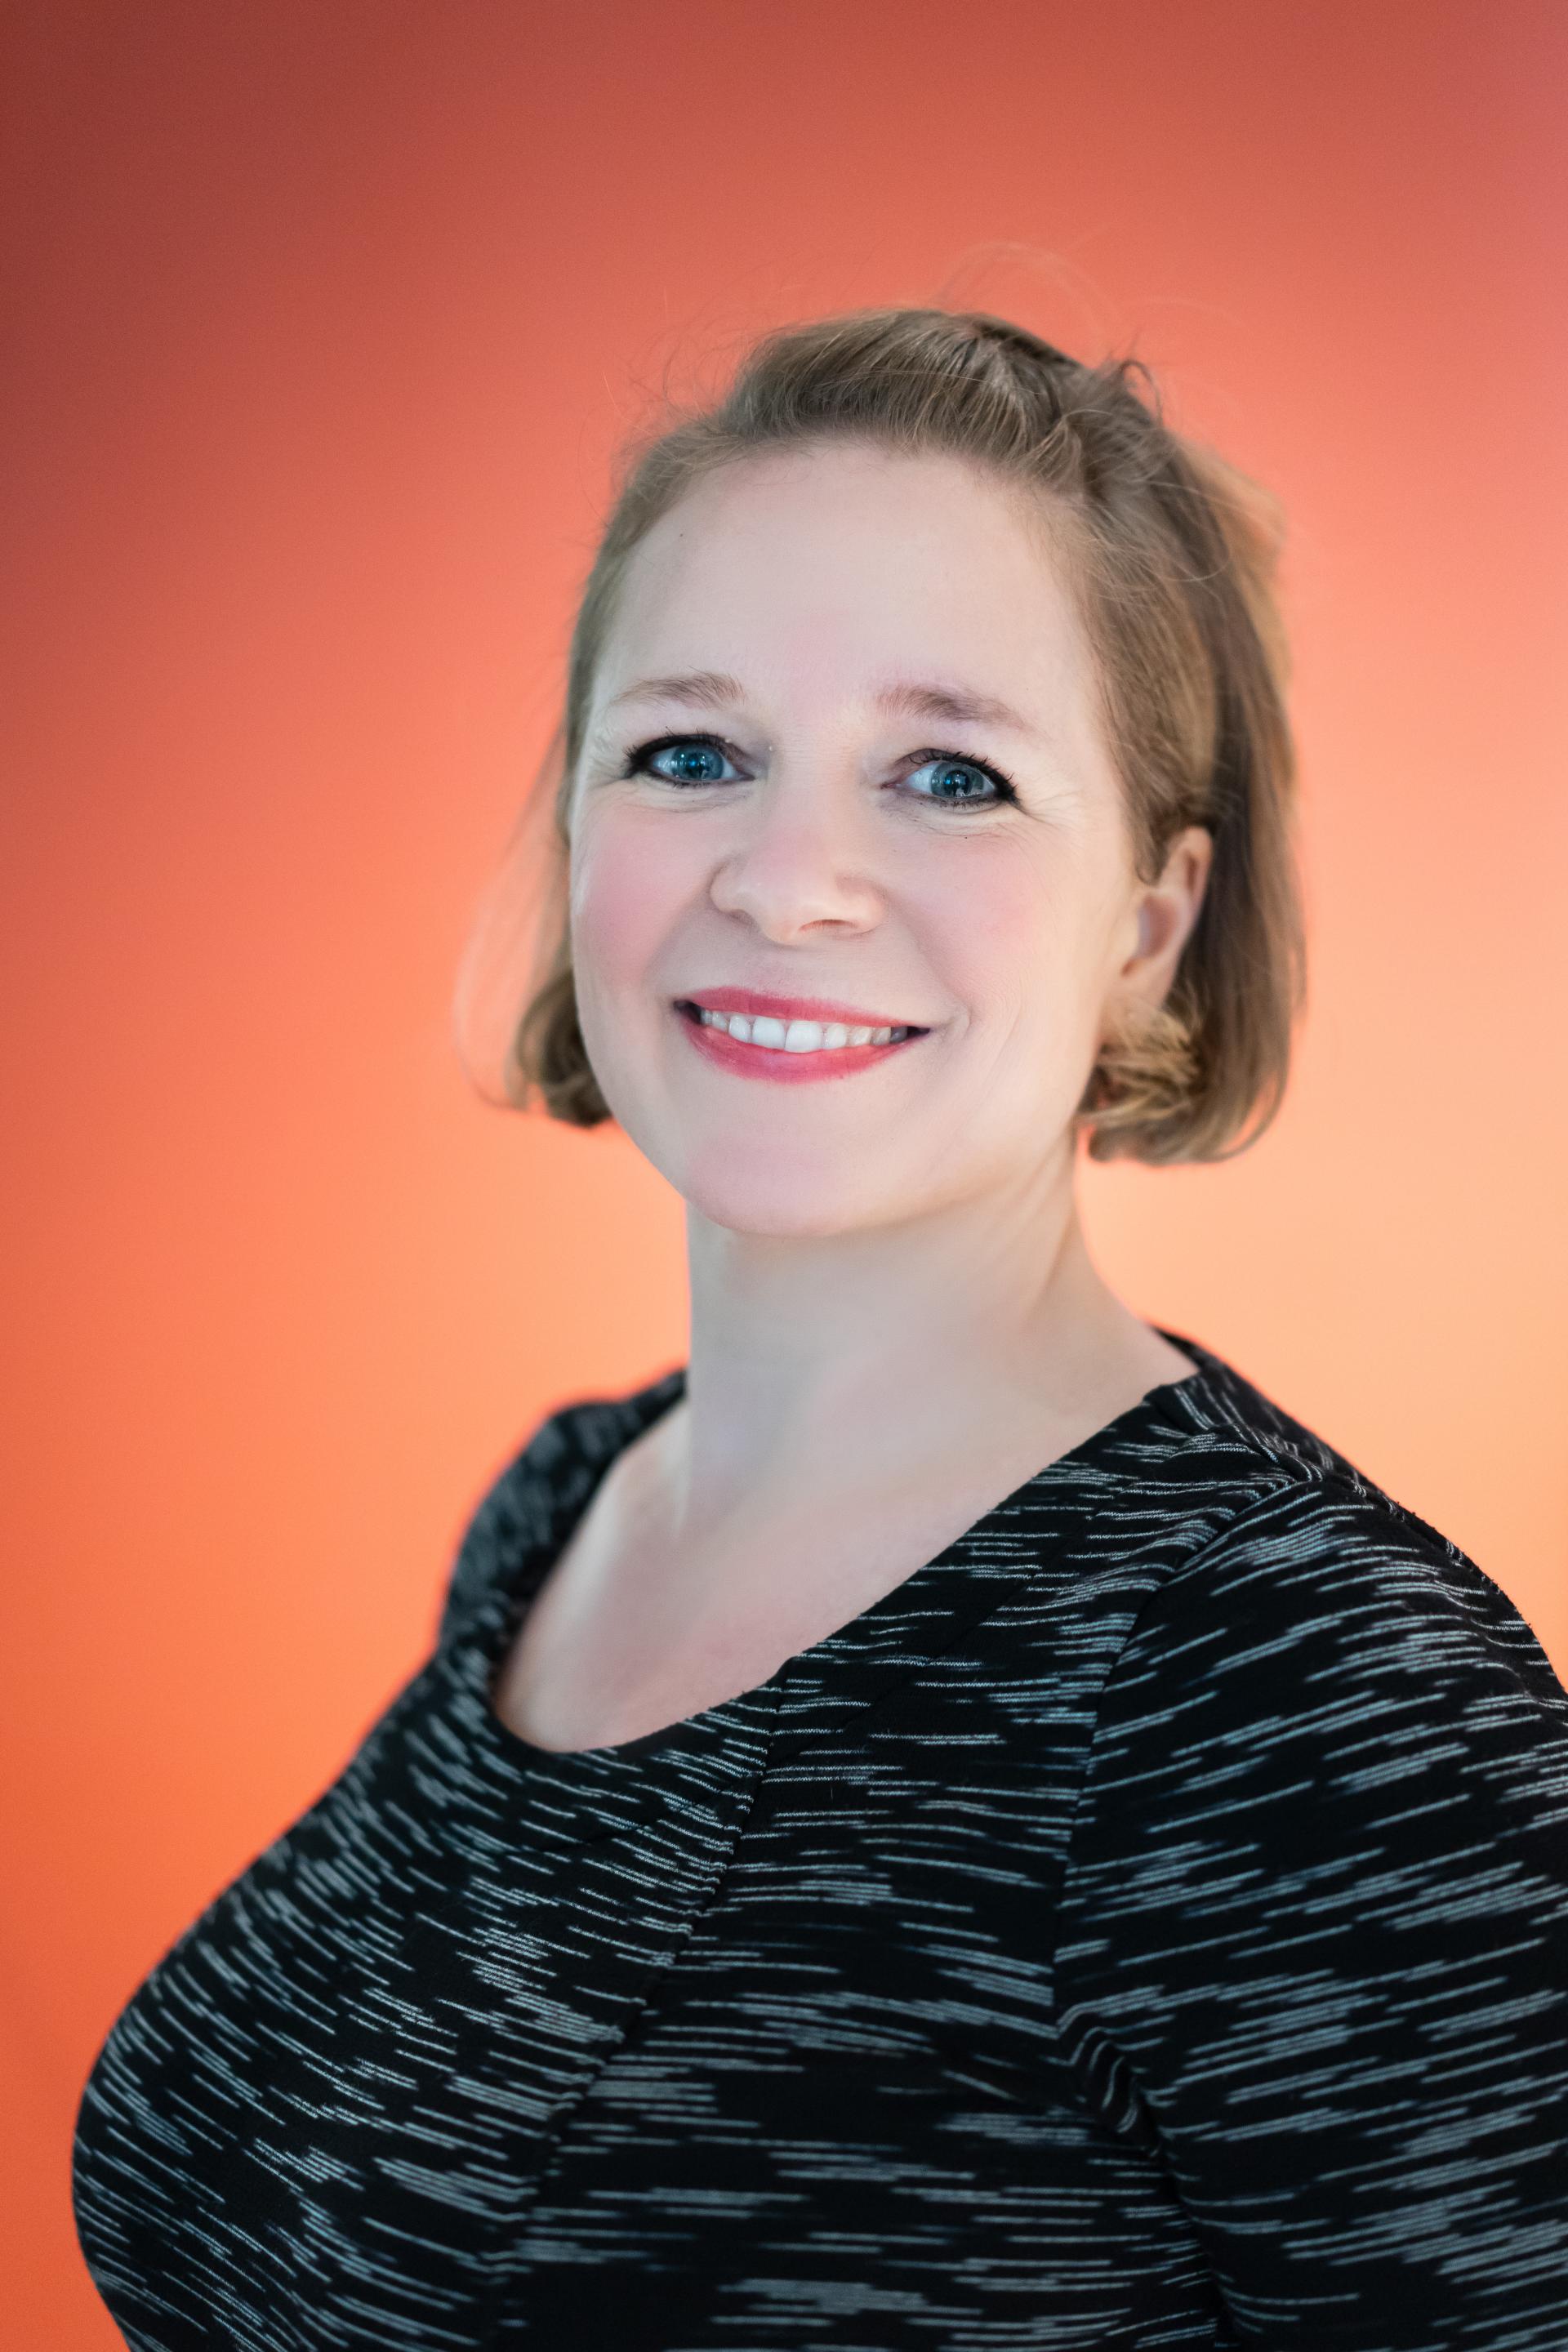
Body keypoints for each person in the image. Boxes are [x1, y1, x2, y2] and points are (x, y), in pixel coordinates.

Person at [73, 306, 1568, 2350]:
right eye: (692, 754)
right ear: (586, 827)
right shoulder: (570, 1504)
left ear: (1152, 914)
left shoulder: (1293, 1698)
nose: (789, 882)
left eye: (950, 774)